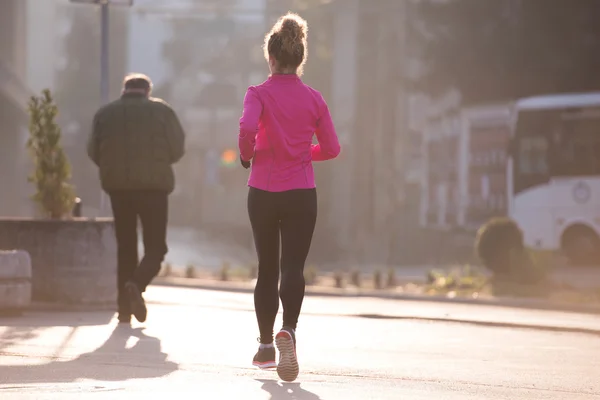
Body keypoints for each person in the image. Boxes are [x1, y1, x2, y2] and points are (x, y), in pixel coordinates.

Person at [238, 13, 341, 382]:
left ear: (271, 58)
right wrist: (303, 153)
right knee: (293, 267)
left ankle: (266, 346)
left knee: (267, 267)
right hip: (301, 192)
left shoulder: (258, 94)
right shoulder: (314, 98)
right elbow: (331, 148)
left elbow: (248, 127)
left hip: (263, 192)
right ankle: (290, 332)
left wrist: (247, 154)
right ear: (300, 59)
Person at [87, 73, 185, 324]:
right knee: (156, 248)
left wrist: (114, 170)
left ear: (125, 90)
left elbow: (93, 151)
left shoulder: (105, 114)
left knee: (126, 247)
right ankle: (136, 284)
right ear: (147, 90)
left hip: (118, 191)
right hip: (154, 190)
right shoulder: (162, 111)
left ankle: (123, 309)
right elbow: (178, 148)